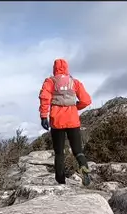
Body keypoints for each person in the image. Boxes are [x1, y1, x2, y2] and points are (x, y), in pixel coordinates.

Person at [38, 58, 92, 186]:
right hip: (73, 119)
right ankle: (84, 169)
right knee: (78, 150)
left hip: (57, 121)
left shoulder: (50, 82)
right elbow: (86, 100)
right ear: (67, 68)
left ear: (54, 68)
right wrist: (75, 107)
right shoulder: (74, 82)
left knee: (59, 152)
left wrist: (43, 116)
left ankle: (61, 181)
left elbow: (44, 98)